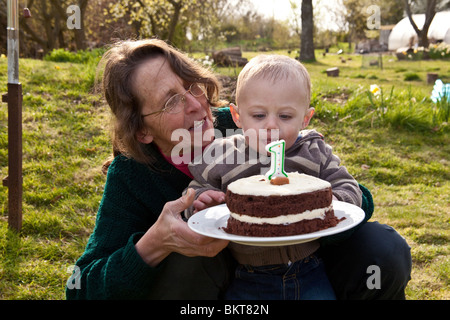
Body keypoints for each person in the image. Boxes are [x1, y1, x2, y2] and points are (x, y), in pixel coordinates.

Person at [66, 38, 411, 300]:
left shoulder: (250, 122)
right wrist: (154, 243)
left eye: (191, 85)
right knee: (188, 261)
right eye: (170, 100)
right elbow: (81, 286)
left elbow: (352, 191)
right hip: (225, 290)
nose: (194, 105)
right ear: (141, 129)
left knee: (384, 250)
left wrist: (309, 208)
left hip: (305, 265)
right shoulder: (131, 175)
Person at [184, 54, 362, 300]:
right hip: (248, 276)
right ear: (236, 116)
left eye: (285, 116)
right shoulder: (223, 155)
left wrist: (329, 204)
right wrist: (202, 201)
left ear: (305, 118)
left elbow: (347, 185)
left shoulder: (313, 151)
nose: (271, 126)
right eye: (258, 115)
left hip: (310, 270)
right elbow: (194, 192)